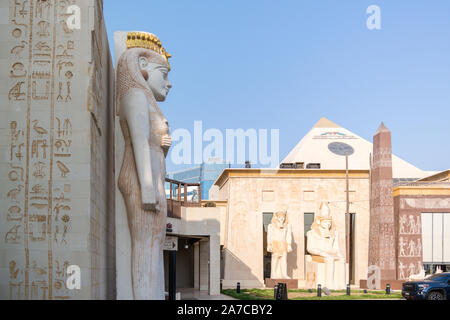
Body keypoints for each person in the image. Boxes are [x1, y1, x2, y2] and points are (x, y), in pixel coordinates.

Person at [116, 32, 172, 300]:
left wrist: (164, 146)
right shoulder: (136, 96)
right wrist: (148, 190)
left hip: (152, 173)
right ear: (144, 69)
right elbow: (138, 143)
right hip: (142, 178)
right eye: (165, 73)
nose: (169, 84)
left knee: (155, 246)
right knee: (145, 247)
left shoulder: (145, 100)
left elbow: (151, 145)